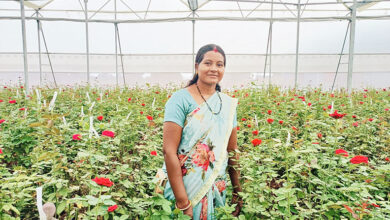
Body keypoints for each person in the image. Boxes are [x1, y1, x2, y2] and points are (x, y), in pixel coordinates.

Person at [162, 44, 243, 219]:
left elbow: (232, 151)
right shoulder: (180, 100)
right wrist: (183, 202)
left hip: (216, 189)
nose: (214, 69)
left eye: (219, 65)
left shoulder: (228, 105)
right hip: (184, 188)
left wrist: (238, 191)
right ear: (197, 66)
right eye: (208, 63)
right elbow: (169, 151)